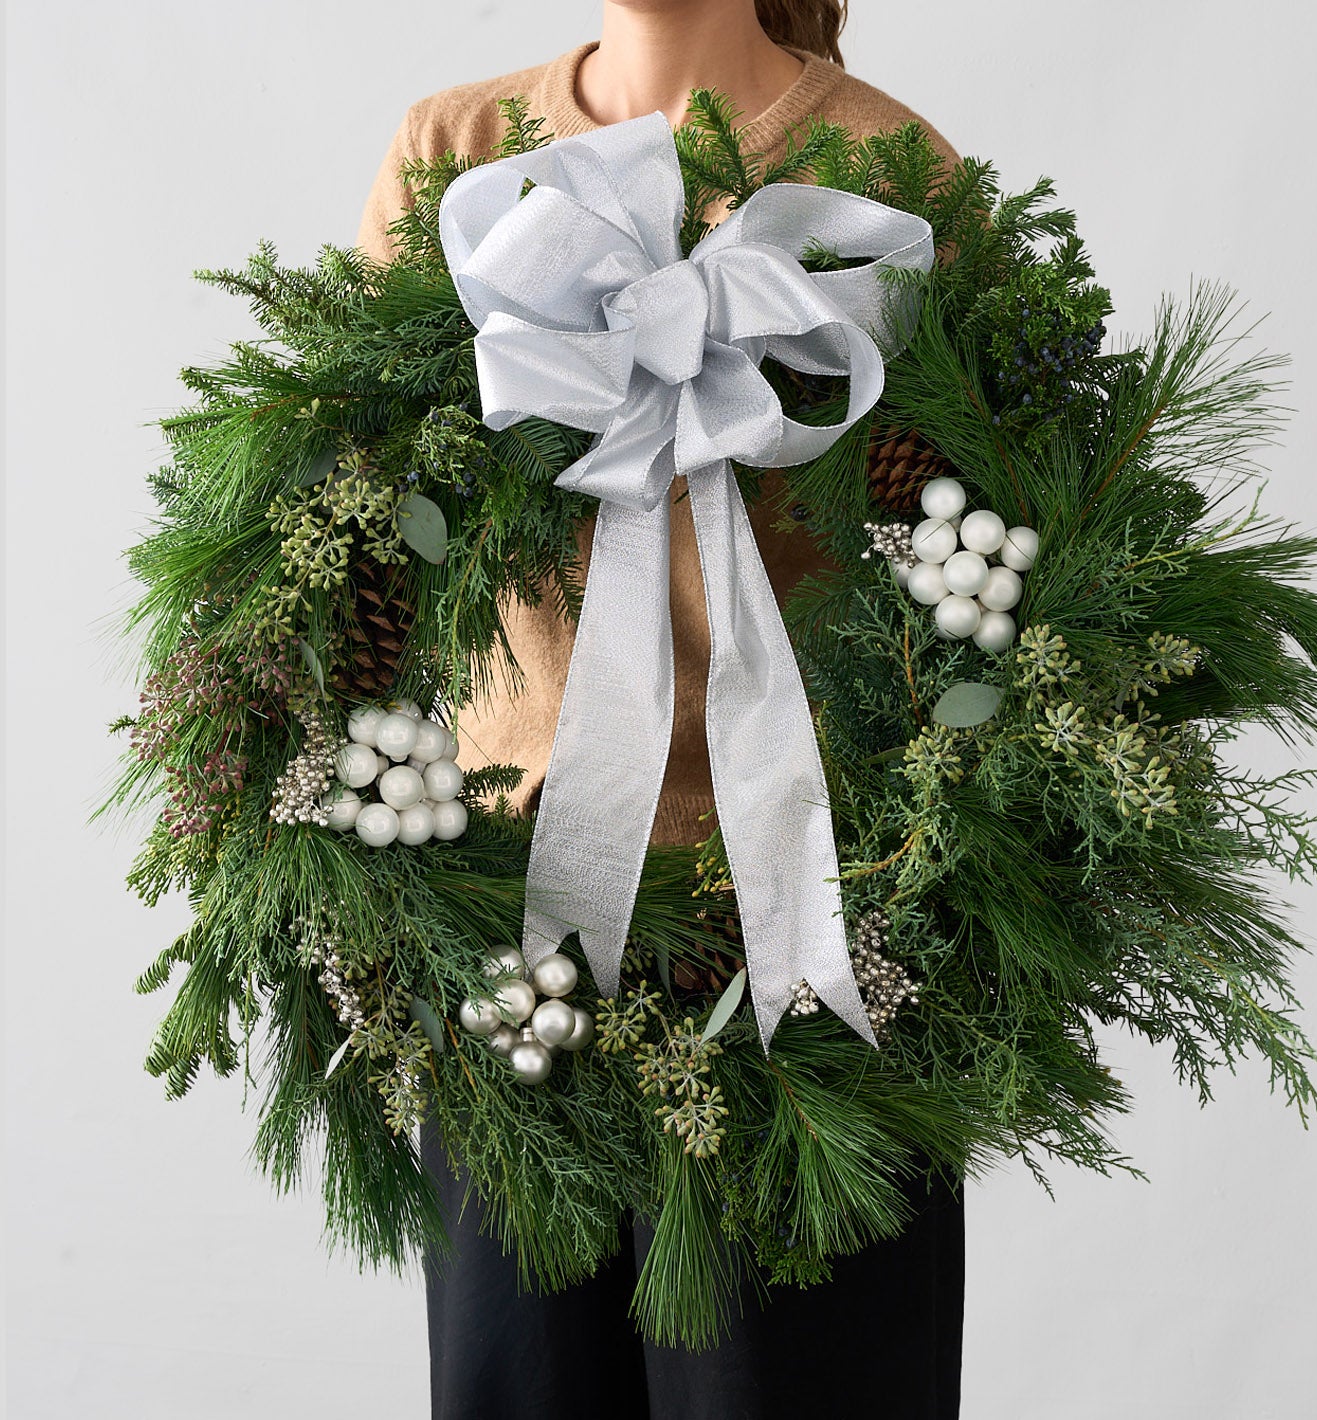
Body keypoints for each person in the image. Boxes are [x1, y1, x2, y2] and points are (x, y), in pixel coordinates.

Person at [356, 4, 968, 1415]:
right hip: (516, 976)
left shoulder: (889, 179)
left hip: (809, 973)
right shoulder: (461, 164)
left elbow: (975, 553)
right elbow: (358, 534)